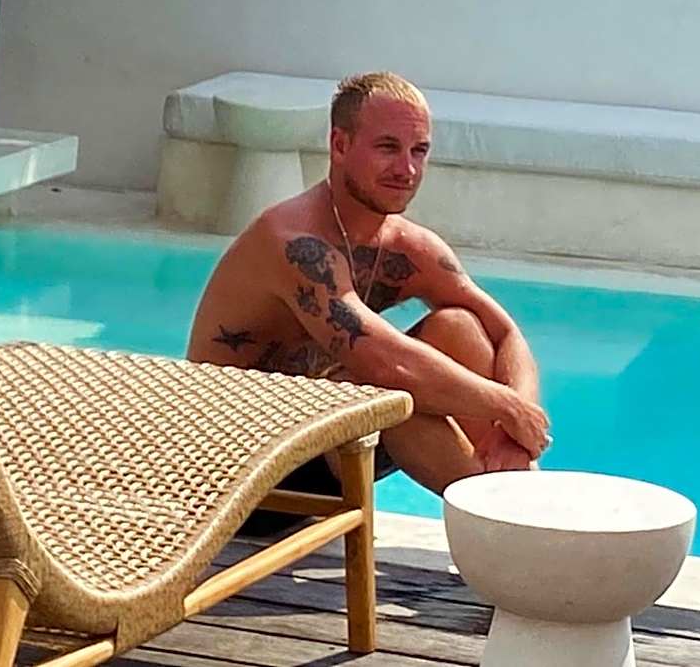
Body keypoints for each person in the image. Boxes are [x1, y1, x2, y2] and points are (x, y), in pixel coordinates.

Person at [188, 71, 550, 529]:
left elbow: (505, 334)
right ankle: (515, 528)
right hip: (239, 479)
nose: (407, 169)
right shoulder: (294, 241)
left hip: (323, 451)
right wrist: (505, 407)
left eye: (419, 150)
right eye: (387, 147)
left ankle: (518, 509)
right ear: (340, 145)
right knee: (388, 391)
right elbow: (386, 364)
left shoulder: (410, 249)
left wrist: (518, 425)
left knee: (459, 327)